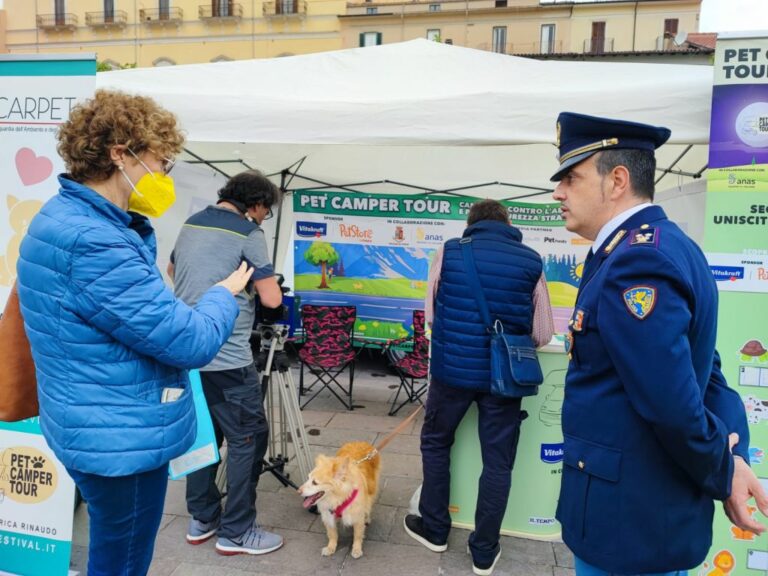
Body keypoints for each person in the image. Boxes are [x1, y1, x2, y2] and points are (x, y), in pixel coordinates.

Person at [15, 90, 250, 576]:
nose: (164, 177)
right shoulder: (96, 240)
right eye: (161, 162)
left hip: (88, 421)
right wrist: (223, 294)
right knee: (121, 561)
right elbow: (191, 342)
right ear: (119, 154)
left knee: (111, 544)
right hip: (120, 440)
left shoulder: (61, 218)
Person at [551, 112, 768, 576]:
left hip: (627, 523)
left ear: (618, 181)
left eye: (571, 177)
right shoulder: (664, 247)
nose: (558, 192)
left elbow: (671, 400)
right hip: (645, 517)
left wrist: (724, 470)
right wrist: (730, 457)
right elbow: (705, 373)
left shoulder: (636, 263)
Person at [404, 199, 555, 576]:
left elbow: (433, 316)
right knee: (498, 462)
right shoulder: (532, 260)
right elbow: (542, 333)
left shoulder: (450, 252)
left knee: (436, 443)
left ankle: (435, 530)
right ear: (507, 223)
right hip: (505, 380)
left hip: (451, 374)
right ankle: (484, 552)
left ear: (471, 223)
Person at [168, 170, 284, 556]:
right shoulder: (249, 232)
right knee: (248, 438)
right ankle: (237, 530)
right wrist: (251, 287)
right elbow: (271, 299)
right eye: (266, 210)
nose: (265, 217)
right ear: (256, 204)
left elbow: (172, 271)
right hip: (229, 356)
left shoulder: (191, 222)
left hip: (187, 352)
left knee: (204, 436)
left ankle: (202, 517)